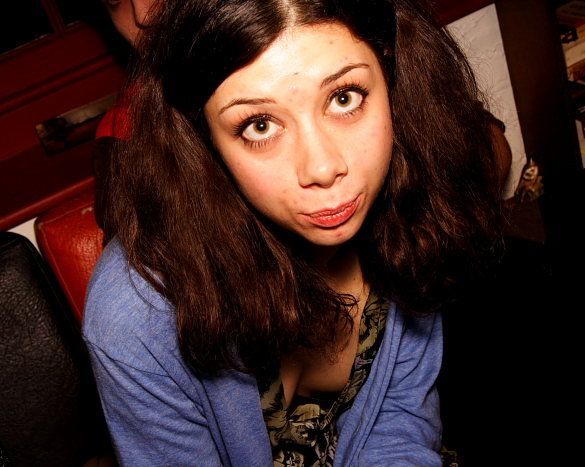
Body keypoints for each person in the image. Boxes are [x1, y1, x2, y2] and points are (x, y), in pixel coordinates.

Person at [82, 0, 503, 465]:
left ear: (392, 78)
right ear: (202, 141)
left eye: (344, 98)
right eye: (260, 125)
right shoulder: (137, 319)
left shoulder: (411, 207)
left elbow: (400, 418)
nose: (322, 167)